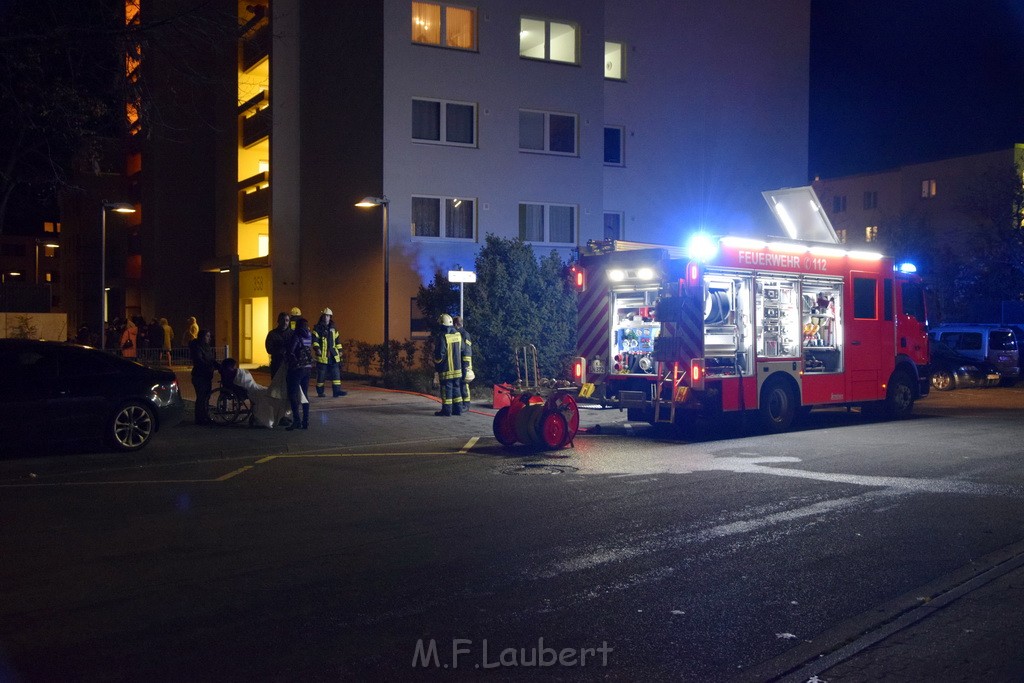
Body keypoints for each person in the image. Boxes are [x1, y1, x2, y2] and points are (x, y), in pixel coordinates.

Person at [219, 358, 293, 429]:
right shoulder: (233, 372)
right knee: (269, 397)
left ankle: (279, 416)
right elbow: (242, 381)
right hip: (250, 389)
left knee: (271, 394)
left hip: (253, 387)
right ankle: (278, 417)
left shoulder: (232, 372)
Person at [285, 316, 313, 430]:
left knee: (293, 394)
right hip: (307, 368)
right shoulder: (309, 335)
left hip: (297, 369)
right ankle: (305, 421)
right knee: (305, 395)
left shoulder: (296, 336)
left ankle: (296, 420)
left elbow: (291, 351)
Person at [312, 308, 347, 397]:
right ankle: (320, 392)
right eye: (325, 315)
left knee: (336, 375)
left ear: (330, 317)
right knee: (321, 376)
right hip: (323, 356)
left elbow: (337, 341)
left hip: (333, 355)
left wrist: (340, 350)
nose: (326, 317)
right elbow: (315, 340)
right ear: (322, 316)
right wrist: (317, 349)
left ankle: (337, 391)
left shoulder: (333, 328)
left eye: (328, 316)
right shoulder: (317, 328)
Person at [433, 313, 463, 416]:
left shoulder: (443, 336)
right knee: (457, 389)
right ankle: (458, 410)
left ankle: (446, 411)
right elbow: (462, 349)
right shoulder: (458, 335)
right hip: (458, 369)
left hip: (447, 370)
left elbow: (439, 354)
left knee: (446, 391)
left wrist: (437, 365)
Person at [189, 329, 219, 425]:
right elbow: (199, 361)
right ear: (202, 337)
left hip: (206, 375)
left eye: (209, 336)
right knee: (201, 397)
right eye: (207, 336)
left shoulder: (207, 347)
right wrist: (209, 366)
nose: (209, 338)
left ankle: (204, 416)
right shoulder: (197, 347)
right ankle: (200, 418)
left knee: (206, 397)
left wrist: (220, 366)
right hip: (199, 375)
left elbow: (212, 359)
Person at [453, 315, 473, 410]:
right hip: (459, 362)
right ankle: (460, 404)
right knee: (459, 383)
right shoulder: (458, 333)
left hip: (464, 362)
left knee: (464, 383)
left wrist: (466, 365)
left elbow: (467, 351)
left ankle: (466, 404)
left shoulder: (464, 334)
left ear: (457, 324)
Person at [265, 311, 292, 380]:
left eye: (287, 320)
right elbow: (269, 349)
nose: (285, 322)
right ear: (278, 321)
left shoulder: (292, 334)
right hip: (277, 363)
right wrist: (279, 350)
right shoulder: (272, 334)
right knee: (275, 386)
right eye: (282, 320)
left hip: (289, 365)